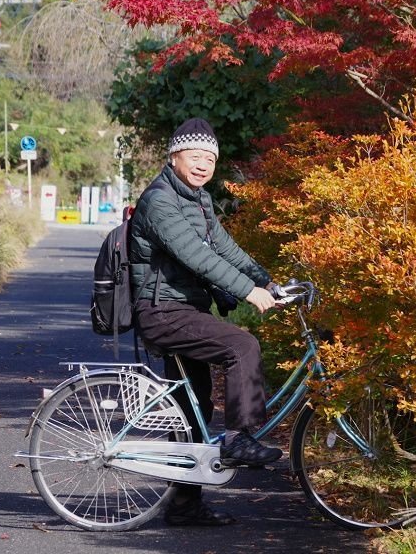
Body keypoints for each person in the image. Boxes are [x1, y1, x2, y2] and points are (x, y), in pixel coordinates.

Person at [129, 117, 282, 527]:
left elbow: (224, 248)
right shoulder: (159, 201)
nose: (202, 165)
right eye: (195, 156)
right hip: (162, 311)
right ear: (174, 156)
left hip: (185, 310)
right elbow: (197, 257)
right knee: (242, 346)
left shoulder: (199, 200)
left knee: (192, 408)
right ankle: (239, 439)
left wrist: (266, 279)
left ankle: (183, 507)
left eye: (209, 158)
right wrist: (249, 293)